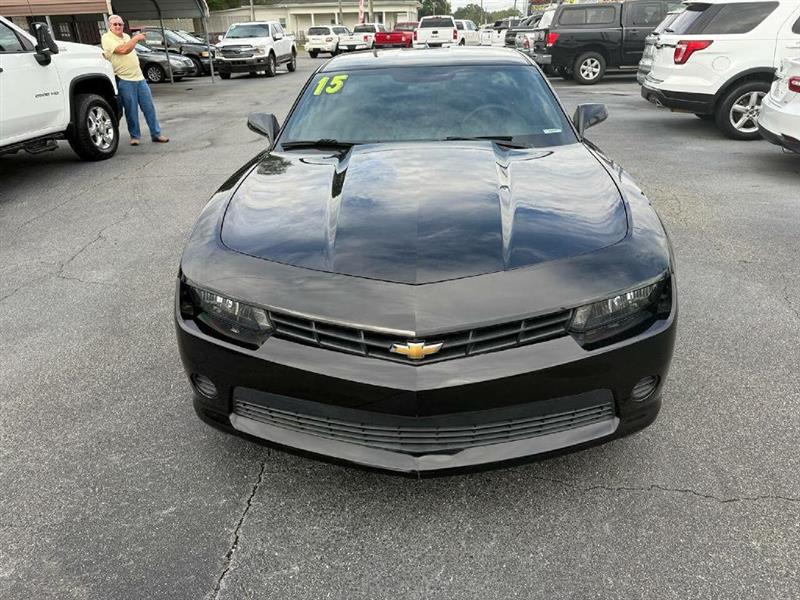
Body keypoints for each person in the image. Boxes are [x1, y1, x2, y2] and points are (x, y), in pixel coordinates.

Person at [101, 15, 169, 146]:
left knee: (149, 108)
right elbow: (123, 50)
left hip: (139, 78)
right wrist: (136, 38)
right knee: (131, 110)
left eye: (120, 24)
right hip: (124, 79)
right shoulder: (107, 38)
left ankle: (156, 134)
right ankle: (135, 136)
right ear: (109, 26)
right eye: (115, 24)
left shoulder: (126, 37)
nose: (118, 26)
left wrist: (132, 40)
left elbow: (129, 47)